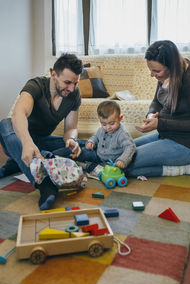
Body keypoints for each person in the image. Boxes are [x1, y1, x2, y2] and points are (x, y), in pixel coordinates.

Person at [0, 53, 84, 210]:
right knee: (5, 124)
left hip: (42, 141)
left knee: (83, 145)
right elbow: (19, 113)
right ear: (53, 74)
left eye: (75, 83)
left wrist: (71, 140)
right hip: (20, 138)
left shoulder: (74, 95)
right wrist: (26, 142)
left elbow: (71, 128)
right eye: (67, 82)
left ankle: (17, 163)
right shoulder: (36, 85)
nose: (72, 88)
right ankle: (46, 184)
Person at [124, 40, 190, 178]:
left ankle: (185, 168)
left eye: (156, 71)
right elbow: (156, 102)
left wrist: (160, 123)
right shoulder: (167, 75)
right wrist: (151, 114)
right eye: (151, 70)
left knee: (125, 165)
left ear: (171, 66)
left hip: (189, 145)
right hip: (166, 134)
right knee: (122, 153)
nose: (152, 75)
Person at [54, 100, 136, 170]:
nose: (108, 127)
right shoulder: (101, 129)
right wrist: (92, 142)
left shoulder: (122, 134)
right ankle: (54, 156)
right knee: (80, 149)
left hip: (110, 162)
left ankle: (58, 157)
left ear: (120, 118)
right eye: (104, 124)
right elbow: (95, 137)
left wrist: (122, 160)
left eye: (112, 123)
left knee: (91, 165)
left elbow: (130, 146)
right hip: (97, 154)